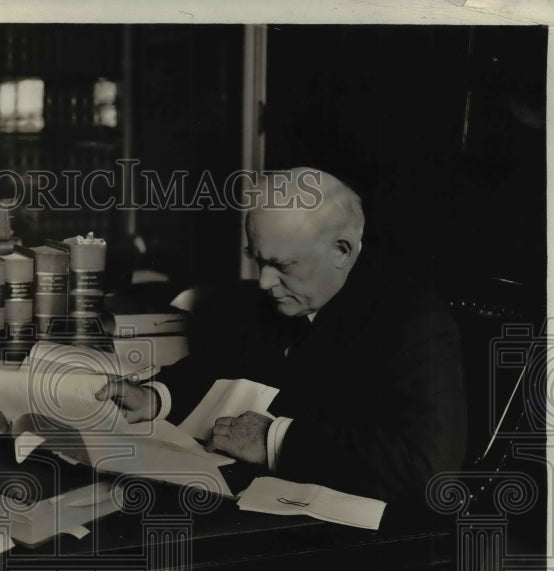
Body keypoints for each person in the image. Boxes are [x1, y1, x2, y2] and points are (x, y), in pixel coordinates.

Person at [96, 168, 468, 506]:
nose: (264, 282)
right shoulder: (281, 298)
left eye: (283, 265)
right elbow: (219, 368)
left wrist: (275, 441)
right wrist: (156, 398)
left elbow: (430, 469)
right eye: (259, 261)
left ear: (342, 251)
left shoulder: (413, 320)